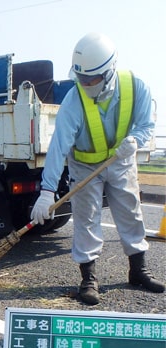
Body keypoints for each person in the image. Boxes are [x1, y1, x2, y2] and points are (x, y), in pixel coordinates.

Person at [31, 32, 165, 305]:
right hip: (84, 165)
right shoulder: (73, 101)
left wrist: (134, 141)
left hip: (120, 161)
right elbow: (58, 147)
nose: (85, 84)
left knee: (130, 214)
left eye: (91, 79)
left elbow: (146, 125)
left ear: (109, 71)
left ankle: (138, 271)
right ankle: (88, 279)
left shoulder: (135, 87)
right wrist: (47, 192)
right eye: (81, 78)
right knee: (86, 219)